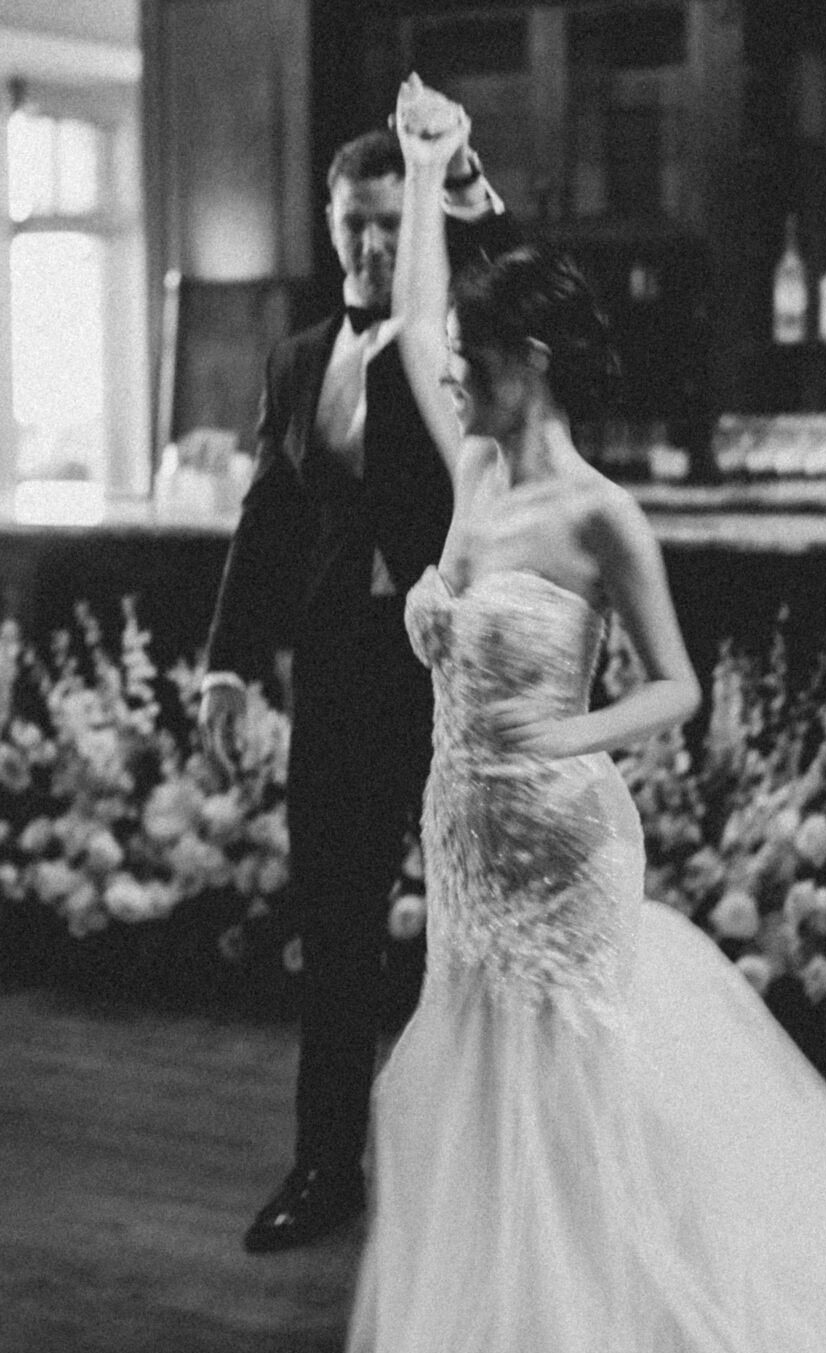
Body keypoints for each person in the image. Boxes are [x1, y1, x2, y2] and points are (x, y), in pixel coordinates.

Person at [331, 77, 826, 1353]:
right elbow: (426, 327)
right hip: (460, 842)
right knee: (479, 1092)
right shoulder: (474, 481)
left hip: (563, 839)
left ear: (539, 367)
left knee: (572, 1102)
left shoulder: (595, 517)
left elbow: (675, 692)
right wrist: (434, 171)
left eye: (483, 366)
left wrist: (563, 730)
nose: (460, 377)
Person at [199, 89, 517, 1253]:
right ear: (328, 224)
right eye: (355, 225)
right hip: (336, 675)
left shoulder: (458, 340)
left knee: (467, 928)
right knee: (334, 926)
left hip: (451, 680)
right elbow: (266, 520)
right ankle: (325, 1166)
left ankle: (475, 1180)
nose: (374, 246)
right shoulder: (296, 361)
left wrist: (455, 174)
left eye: (392, 223)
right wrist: (228, 667)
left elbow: (499, 264)